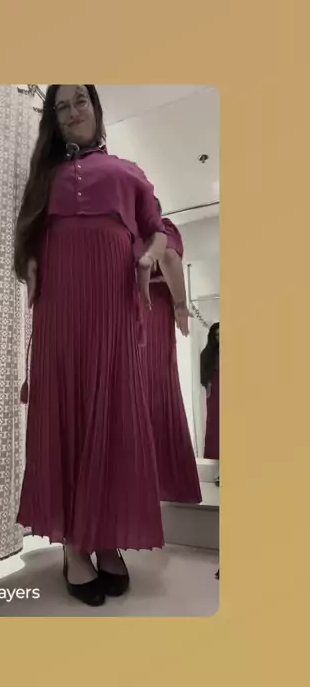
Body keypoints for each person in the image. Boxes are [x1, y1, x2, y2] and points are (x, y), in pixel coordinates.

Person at [14, 84, 168, 606]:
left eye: (80, 100)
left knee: (114, 414)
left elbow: (156, 230)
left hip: (113, 306)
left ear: (97, 108)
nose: (73, 111)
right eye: (62, 106)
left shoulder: (128, 172)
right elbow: (27, 241)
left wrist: (148, 256)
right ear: (54, 120)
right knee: (67, 411)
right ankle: (74, 547)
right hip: (60, 308)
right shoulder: (44, 178)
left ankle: (106, 538)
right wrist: (28, 260)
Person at [142, 201, 202, 504]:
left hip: (128, 315)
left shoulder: (126, 234)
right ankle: (167, 482)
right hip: (153, 311)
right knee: (158, 389)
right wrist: (180, 305)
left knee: (132, 395)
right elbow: (168, 256)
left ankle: (136, 483)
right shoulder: (162, 229)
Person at [200, 322, 220, 460]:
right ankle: (214, 456)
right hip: (215, 391)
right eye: (217, 335)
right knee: (214, 423)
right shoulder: (207, 354)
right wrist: (207, 384)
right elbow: (203, 375)